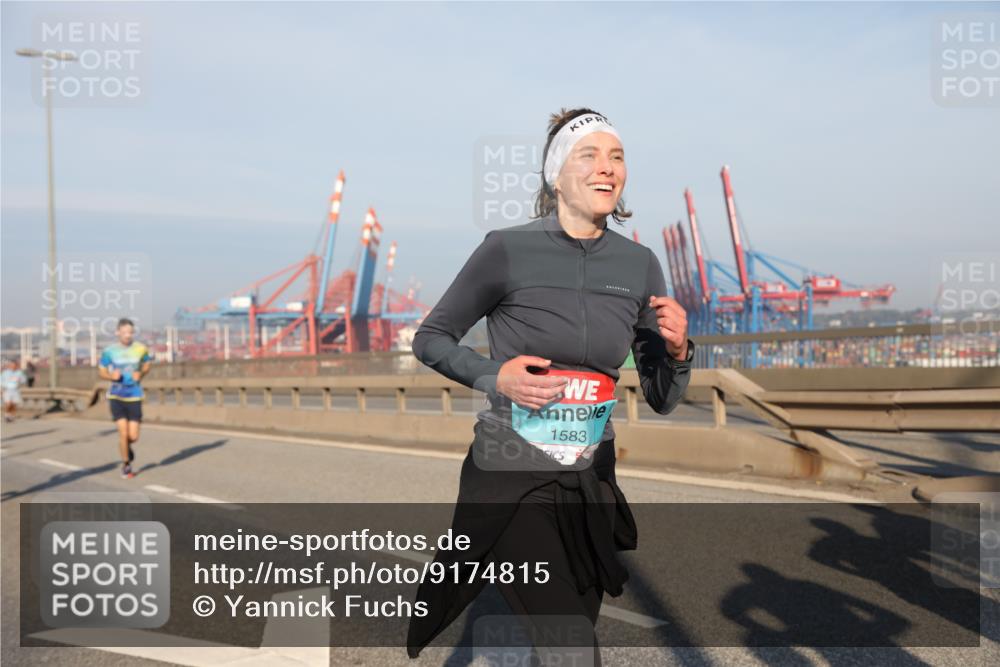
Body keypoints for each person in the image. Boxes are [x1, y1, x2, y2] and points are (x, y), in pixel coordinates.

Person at [406, 108, 694, 664]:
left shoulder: (639, 264)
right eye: (589, 155)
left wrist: (679, 352)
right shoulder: (506, 250)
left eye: (617, 156)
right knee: (570, 645)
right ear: (556, 174)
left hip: (590, 476)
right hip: (512, 470)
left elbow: (661, 394)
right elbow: (431, 338)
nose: (606, 167)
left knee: (570, 633)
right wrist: (496, 376)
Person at [98, 318, 152, 478]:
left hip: (134, 396)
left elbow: (147, 364)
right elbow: (101, 370)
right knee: (123, 433)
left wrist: (141, 373)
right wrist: (110, 376)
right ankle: (126, 464)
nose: (128, 335)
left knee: (133, 437)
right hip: (117, 396)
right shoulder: (109, 351)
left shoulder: (141, 349)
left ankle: (127, 448)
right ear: (118, 333)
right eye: (124, 332)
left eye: (130, 332)